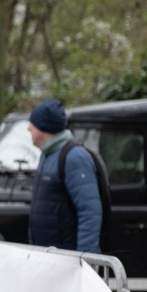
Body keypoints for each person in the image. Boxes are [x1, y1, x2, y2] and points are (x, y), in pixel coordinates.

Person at [27, 98, 103, 253]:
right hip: (50, 257)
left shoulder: (75, 157)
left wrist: (84, 259)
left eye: (32, 124)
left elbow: (90, 212)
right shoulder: (47, 154)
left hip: (67, 258)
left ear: (44, 126)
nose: (28, 128)